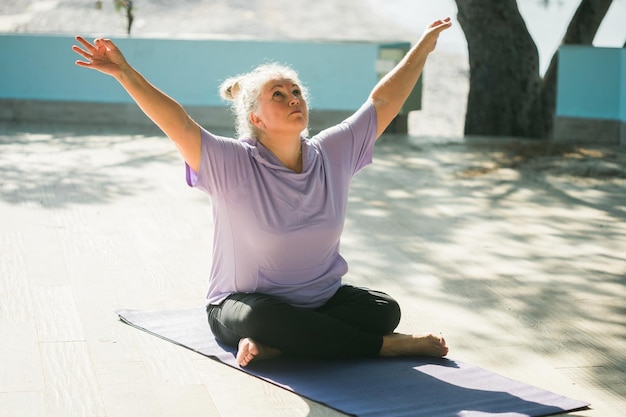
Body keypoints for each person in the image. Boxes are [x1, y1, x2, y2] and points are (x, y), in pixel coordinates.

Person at [73, 17, 452, 367]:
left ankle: (278, 347)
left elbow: (382, 102)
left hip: (321, 302)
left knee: (383, 310)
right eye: (278, 95)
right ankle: (386, 346)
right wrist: (124, 73)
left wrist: (423, 48)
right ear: (255, 118)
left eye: (296, 91)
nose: (293, 98)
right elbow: (180, 124)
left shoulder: (332, 152)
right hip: (246, 306)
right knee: (261, 318)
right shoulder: (233, 162)